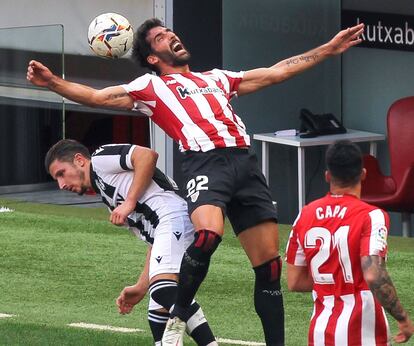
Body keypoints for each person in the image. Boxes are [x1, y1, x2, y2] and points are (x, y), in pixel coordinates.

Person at [28, 19, 364, 345]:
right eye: (161, 36)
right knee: (207, 235)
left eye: (170, 31)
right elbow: (97, 97)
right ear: (152, 58)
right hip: (204, 162)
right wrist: (53, 82)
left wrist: (328, 49)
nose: (171, 35)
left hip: (244, 163)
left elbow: (276, 73)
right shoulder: (149, 87)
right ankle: (177, 316)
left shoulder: (217, 79)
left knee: (270, 269)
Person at [45, 139, 218, 346]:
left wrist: (129, 201)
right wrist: (141, 286)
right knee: (157, 317)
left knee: (164, 291)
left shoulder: (99, 159)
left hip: (172, 217)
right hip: (168, 225)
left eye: (61, 174)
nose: (61, 185)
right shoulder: (107, 195)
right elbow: (154, 243)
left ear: (80, 160)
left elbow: (147, 155)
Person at [285, 140, 414, 346]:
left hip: (320, 333)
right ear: (363, 174)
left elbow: (294, 281)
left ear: (328, 176)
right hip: (363, 333)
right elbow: (373, 274)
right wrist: (403, 318)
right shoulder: (372, 216)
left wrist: (334, 279)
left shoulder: (305, 215)